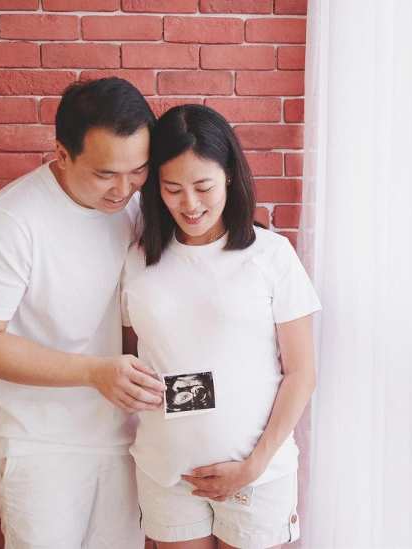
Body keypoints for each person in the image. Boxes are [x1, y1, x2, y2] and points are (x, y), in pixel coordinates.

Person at [0, 77, 165, 549]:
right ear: (62, 154)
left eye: (138, 170)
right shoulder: (10, 221)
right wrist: (93, 372)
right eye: (105, 174)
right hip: (35, 442)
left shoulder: (134, 205)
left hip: (120, 437)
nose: (123, 189)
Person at [121, 104, 321, 549]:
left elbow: (302, 373)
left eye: (203, 187)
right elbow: (132, 354)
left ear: (229, 175)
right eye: (173, 189)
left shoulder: (270, 255)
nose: (190, 205)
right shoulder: (138, 260)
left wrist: (254, 465)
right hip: (167, 469)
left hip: (256, 473)